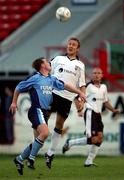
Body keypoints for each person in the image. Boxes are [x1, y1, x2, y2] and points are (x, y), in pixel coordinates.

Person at [9, 57, 85, 175]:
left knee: (40, 140)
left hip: (43, 112)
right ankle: (31, 159)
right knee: (45, 133)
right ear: (42, 66)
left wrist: (80, 92)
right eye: (46, 62)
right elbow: (19, 87)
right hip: (36, 110)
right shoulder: (35, 78)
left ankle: (19, 159)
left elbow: (66, 86)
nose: (49, 63)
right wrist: (14, 102)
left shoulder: (51, 79)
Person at [62, 67, 121, 167]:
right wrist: (80, 110)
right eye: (94, 73)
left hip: (98, 115)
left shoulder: (104, 87)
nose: (97, 75)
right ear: (92, 75)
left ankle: (89, 161)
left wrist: (113, 110)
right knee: (93, 139)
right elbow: (77, 98)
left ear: (102, 75)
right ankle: (71, 142)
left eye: (99, 73)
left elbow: (105, 101)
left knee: (100, 138)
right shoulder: (88, 86)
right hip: (90, 113)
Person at [45, 37, 86, 169]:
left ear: (77, 49)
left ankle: (50, 153)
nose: (71, 46)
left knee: (59, 126)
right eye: (69, 44)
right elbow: (46, 71)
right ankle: (33, 149)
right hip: (53, 94)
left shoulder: (80, 65)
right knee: (42, 120)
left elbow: (82, 84)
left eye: (74, 45)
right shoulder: (58, 59)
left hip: (67, 99)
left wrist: (81, 98)